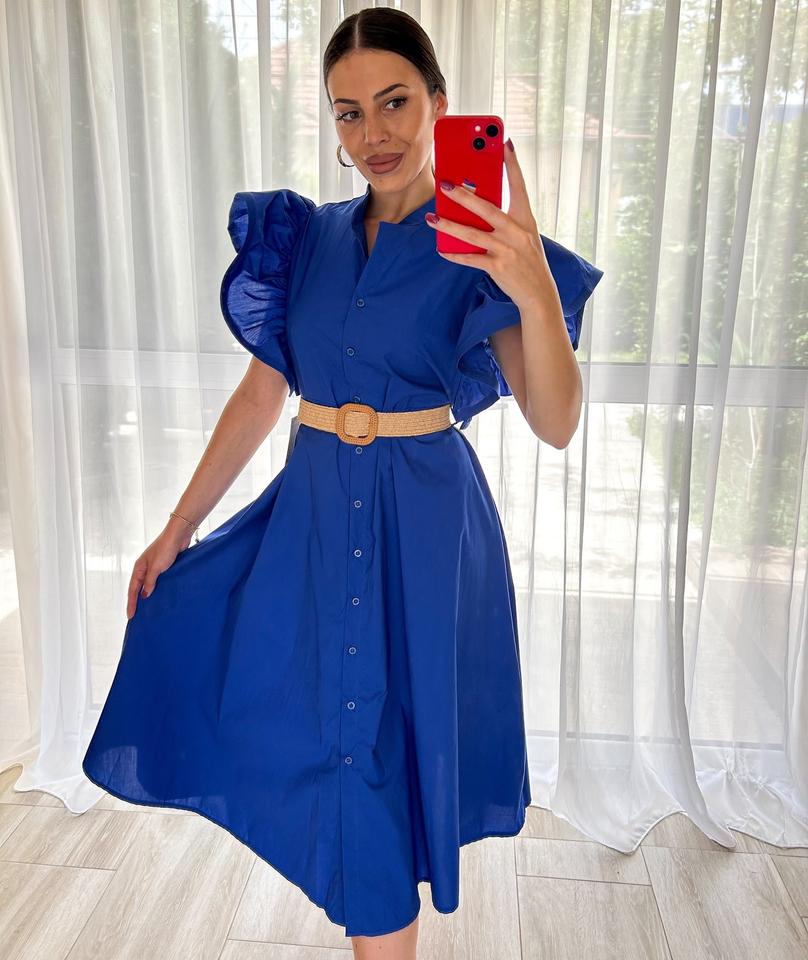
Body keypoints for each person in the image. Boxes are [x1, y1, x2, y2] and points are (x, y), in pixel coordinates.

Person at [81, 8, 603, 960]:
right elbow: (261, 393)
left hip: (426, 536)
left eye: (396, 103)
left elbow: (556, 420)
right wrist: (177, 527)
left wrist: (532, 282)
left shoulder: (483, 246)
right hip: (313, 527)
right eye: (349, 112)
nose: (374, 135)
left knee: (383, 757)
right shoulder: (308, 239)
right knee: (328, 739)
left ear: (439, 103)